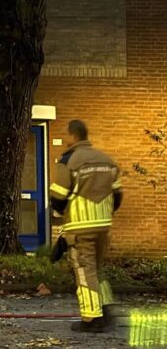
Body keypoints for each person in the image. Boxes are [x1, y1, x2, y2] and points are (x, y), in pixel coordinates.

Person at [48, 119, 123, 333]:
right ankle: (105, 309)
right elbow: (118, 195)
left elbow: (58, 196)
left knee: (83, 270)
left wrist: (61, 216)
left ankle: (92, 318)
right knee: (96, 269)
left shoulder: (69, 160)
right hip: (103, 225)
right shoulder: (107, 160)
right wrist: (105, 213)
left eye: (66, 135)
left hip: (81, 226)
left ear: (73, 135)